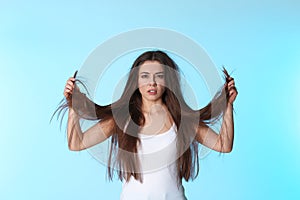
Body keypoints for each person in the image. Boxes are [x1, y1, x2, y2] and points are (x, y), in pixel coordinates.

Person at [60, 50, 237, 200]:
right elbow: (76, 143)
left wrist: (228, 106)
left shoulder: (183, 121)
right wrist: (74, 105)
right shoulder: (122, 119)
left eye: (159, 76)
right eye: (145, 76)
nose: (152, 82)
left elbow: (223, 144)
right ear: (136, 81)